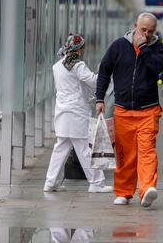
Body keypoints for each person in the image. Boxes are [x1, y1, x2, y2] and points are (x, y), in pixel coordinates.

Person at [95, 13, 163, 207]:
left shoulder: (157, 48)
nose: (147, 34)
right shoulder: (118, 46)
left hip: (148, 110)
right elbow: (104, 71)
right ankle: (124, 192)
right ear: (135, 26)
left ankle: (147, 190)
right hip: (123, 110)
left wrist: (143, 47)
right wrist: (100, 98)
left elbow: (156, 68)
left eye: (151, 31)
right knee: (125, 155)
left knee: (147, 151)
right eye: (143, 30)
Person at [44, 34, 113, 193]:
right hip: (76, 111)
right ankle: (96, 183)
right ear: (80, 48)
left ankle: (50, 182)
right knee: (83, 147)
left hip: (62, 111)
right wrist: (105, 74)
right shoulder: (77, 65)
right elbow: (93, 81)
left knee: (61, 147)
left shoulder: (57, 65)